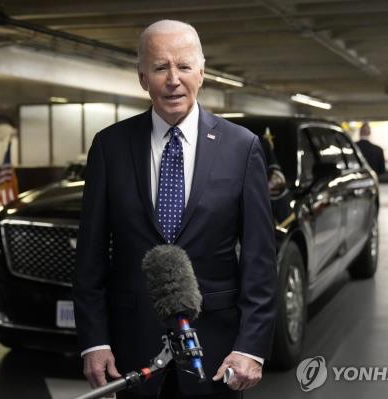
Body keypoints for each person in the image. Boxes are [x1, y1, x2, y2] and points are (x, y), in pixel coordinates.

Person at [72, 20, 277, 399]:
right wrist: (94, 341)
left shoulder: (241, 147)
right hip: (130, 347)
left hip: (217, 351)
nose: (173, 79)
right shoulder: (109, 147)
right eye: (159, 67)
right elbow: (91, 257)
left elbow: (259, 259)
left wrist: (250, 347)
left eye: (183, 66)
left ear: (202, 72)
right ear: (141, 77)